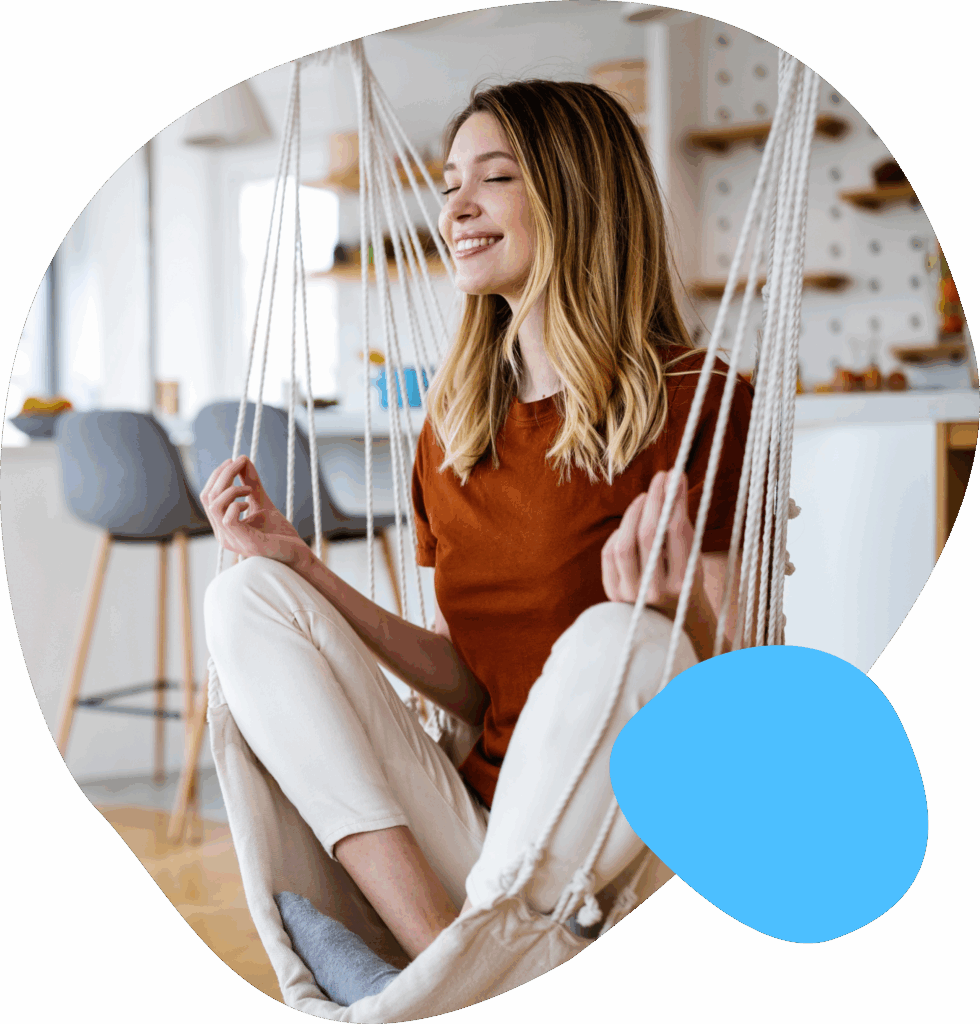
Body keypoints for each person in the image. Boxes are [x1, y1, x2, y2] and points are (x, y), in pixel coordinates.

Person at [200, 79, 753, 1007]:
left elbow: (744, 685)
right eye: (449, 181)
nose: (453, 206)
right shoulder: (452, 432)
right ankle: (445, 969)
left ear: (576, 196)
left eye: (493, 179)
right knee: (242, 595)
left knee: (623, 641)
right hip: (475, 846)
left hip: (611, 863)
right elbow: (471, 681)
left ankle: (416, 997)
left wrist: (664, 615)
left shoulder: (696, 398)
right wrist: (299, 568)